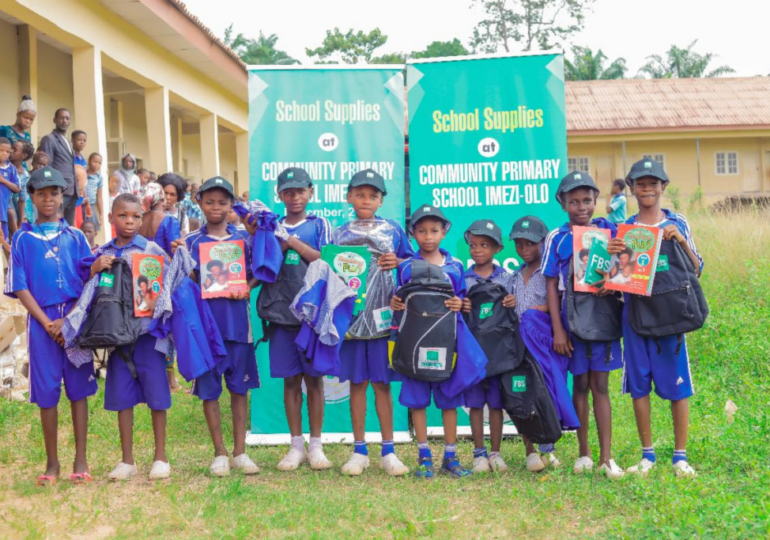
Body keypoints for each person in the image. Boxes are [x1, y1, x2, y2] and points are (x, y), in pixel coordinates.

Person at [609, 159, 703, 477]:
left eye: (653, 183)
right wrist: (614, 254)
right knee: (639, 386)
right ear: (632, 189)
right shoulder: (626, 230)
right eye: (640, 183)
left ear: (664, 187)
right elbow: (616, 281)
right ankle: (647, 456)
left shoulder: (677, 222)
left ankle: (680, 456)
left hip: (672, 315)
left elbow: (697, 268)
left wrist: (679, 240)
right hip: (635, 315)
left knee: (679, 385)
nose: (647, 188)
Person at [4, 166, 97, 485]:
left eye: (54, 193)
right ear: (31, 197)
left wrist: (70, 321)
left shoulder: (75, 236)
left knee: (78, 389)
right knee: (46, 392)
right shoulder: (22, 238)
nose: (48, 199)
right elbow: (20, 286)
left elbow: (90, 279)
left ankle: (81, 459)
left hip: (74, 322)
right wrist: (47, 324)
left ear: (63, 197)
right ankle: (52, 463)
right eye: (41, 193)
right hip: (41, 325)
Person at [543, 171, 624, 479]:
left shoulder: (609, 229)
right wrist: (558, 329)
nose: (581, 207)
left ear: (596, 201)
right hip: (571, 319)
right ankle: (584, 453)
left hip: (603, 317)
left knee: (600, 386)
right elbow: (551, 284)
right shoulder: (558, 237)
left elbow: (625, 266)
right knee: (579, 384)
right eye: (573, 201)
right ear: (563, 204)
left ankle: (606, 457)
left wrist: (614, 283)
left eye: (587, 201)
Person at [177, 176, 260, 476]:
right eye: (209, 201)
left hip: (238, 327)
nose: (216, 207)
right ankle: (220, 453)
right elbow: (189, 282)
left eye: (223, 202)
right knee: (209, 391)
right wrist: (181, 260)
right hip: (204, 331)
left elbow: (258, 272)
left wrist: (247, 286)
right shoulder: (190, 242)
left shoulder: (244, 240)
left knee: (239, 390)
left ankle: (240, 452)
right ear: (198, 202)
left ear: (231, 205)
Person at [333, 170, 413, 477]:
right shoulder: (340, 233)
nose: (366, 200)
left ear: (381, 200)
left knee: (381, 384)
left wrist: (399, 262)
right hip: (352, 321)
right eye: (360, 194)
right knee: (357, 384)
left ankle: (389, 450)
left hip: (383, 320)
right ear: (349, 197)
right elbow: (331, 271)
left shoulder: (392, 229)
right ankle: (359, 450)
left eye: (373, 196)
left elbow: (412, 262)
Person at [89, 193, 174, 481]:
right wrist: (94, 269)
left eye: (135, 216)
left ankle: (160, 457)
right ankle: (127, 460)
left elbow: (170, 283)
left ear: (142, 218)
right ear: (111, 217)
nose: (129, 221)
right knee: (122, 397)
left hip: (148, 336)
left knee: (157, 396)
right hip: (117, 340)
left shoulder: (152, 250)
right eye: (122, 215)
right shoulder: (103, 253)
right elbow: (89, 292)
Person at [391, 205, 473, 479]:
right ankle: (424, 456)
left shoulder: (456, 266)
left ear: (444, 232)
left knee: (449, 399)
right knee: (417, 401)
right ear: (412, 233)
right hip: (413, 342)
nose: (428, 236)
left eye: (434, 230)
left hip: (445, 342)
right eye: (422, 231)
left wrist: (459, 302)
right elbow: (397, 298)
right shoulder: (405, 267)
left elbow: (462, 299)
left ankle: (450, 456)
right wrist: (395, 303)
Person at [267, 167, 333, 472]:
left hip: (313, 315)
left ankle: (316, 445)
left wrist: (292, 242)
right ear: (279, 195)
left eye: (300, 191)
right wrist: (278, 243)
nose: (295, 197)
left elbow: (327, 260)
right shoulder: (270, 227)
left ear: (311, 192)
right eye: (288, 192)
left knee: (314, 380)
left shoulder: (320, 225)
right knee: (291, 381)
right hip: (281, 314)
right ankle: (295, 445)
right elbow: (263, 265)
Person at [508, 215, 564, 472]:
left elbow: (558, 305)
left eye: (530, 243)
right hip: (519, 345)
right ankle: (529, 449)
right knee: (523, 396)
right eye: (519, 244)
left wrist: (533, 311)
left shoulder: (550, 272)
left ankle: (547, 449)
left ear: (544, 242)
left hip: (543, 343)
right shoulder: (514, 276)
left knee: (546, 394)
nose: (524, 249)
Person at [459, 219, 513, 474]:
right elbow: (455, 307)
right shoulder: (464, 278)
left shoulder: (507, 278)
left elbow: (515, 313)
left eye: (484, 245)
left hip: (499, 352)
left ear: (497, 249)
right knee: (475, 402)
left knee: (496, 403)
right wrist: (463, 306)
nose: (477, 250)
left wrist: (513, 302)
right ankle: (479, 453)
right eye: (473, 245)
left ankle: (496, 452)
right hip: (473, 351)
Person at [39, 109, 78, 224]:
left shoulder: (69, 142)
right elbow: (46, 166)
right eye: (61, 118)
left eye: (67, 118)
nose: (64, 120)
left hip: (72, 190)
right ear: (54, 120)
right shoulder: (49, 139)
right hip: (59, 190)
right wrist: (52, 189)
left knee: (68, 227)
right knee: (56, 223)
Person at [138, 182, 181, 257]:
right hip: (161, 265)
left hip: (141, 265)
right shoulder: (170, 220)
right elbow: (174, 252)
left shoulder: (139, 218)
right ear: (161, 197)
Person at [0, 137, 22, 240]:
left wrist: (4, 181)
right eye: (1, 150)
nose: (5, 154)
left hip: (4, 207)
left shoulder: (11, 168)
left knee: (3, 237)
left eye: (7, 151)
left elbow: (17, 188)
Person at [11, 140, 34, 229]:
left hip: (19, 215)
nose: (11, 151)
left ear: (24, 156)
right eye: (11, 147)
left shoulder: (24, 175)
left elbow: (23, 200)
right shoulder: (3, 168)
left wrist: (21, 222)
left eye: (15, 149)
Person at [85, 153, 104, 231]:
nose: (97, 164)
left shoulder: (99, 178)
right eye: (94, 161)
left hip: (92, 206)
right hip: (82, 205)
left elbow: (99, 197)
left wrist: (101, 214)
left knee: (92, 230)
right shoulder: (83, 174)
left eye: (99, 163)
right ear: (89, 161)